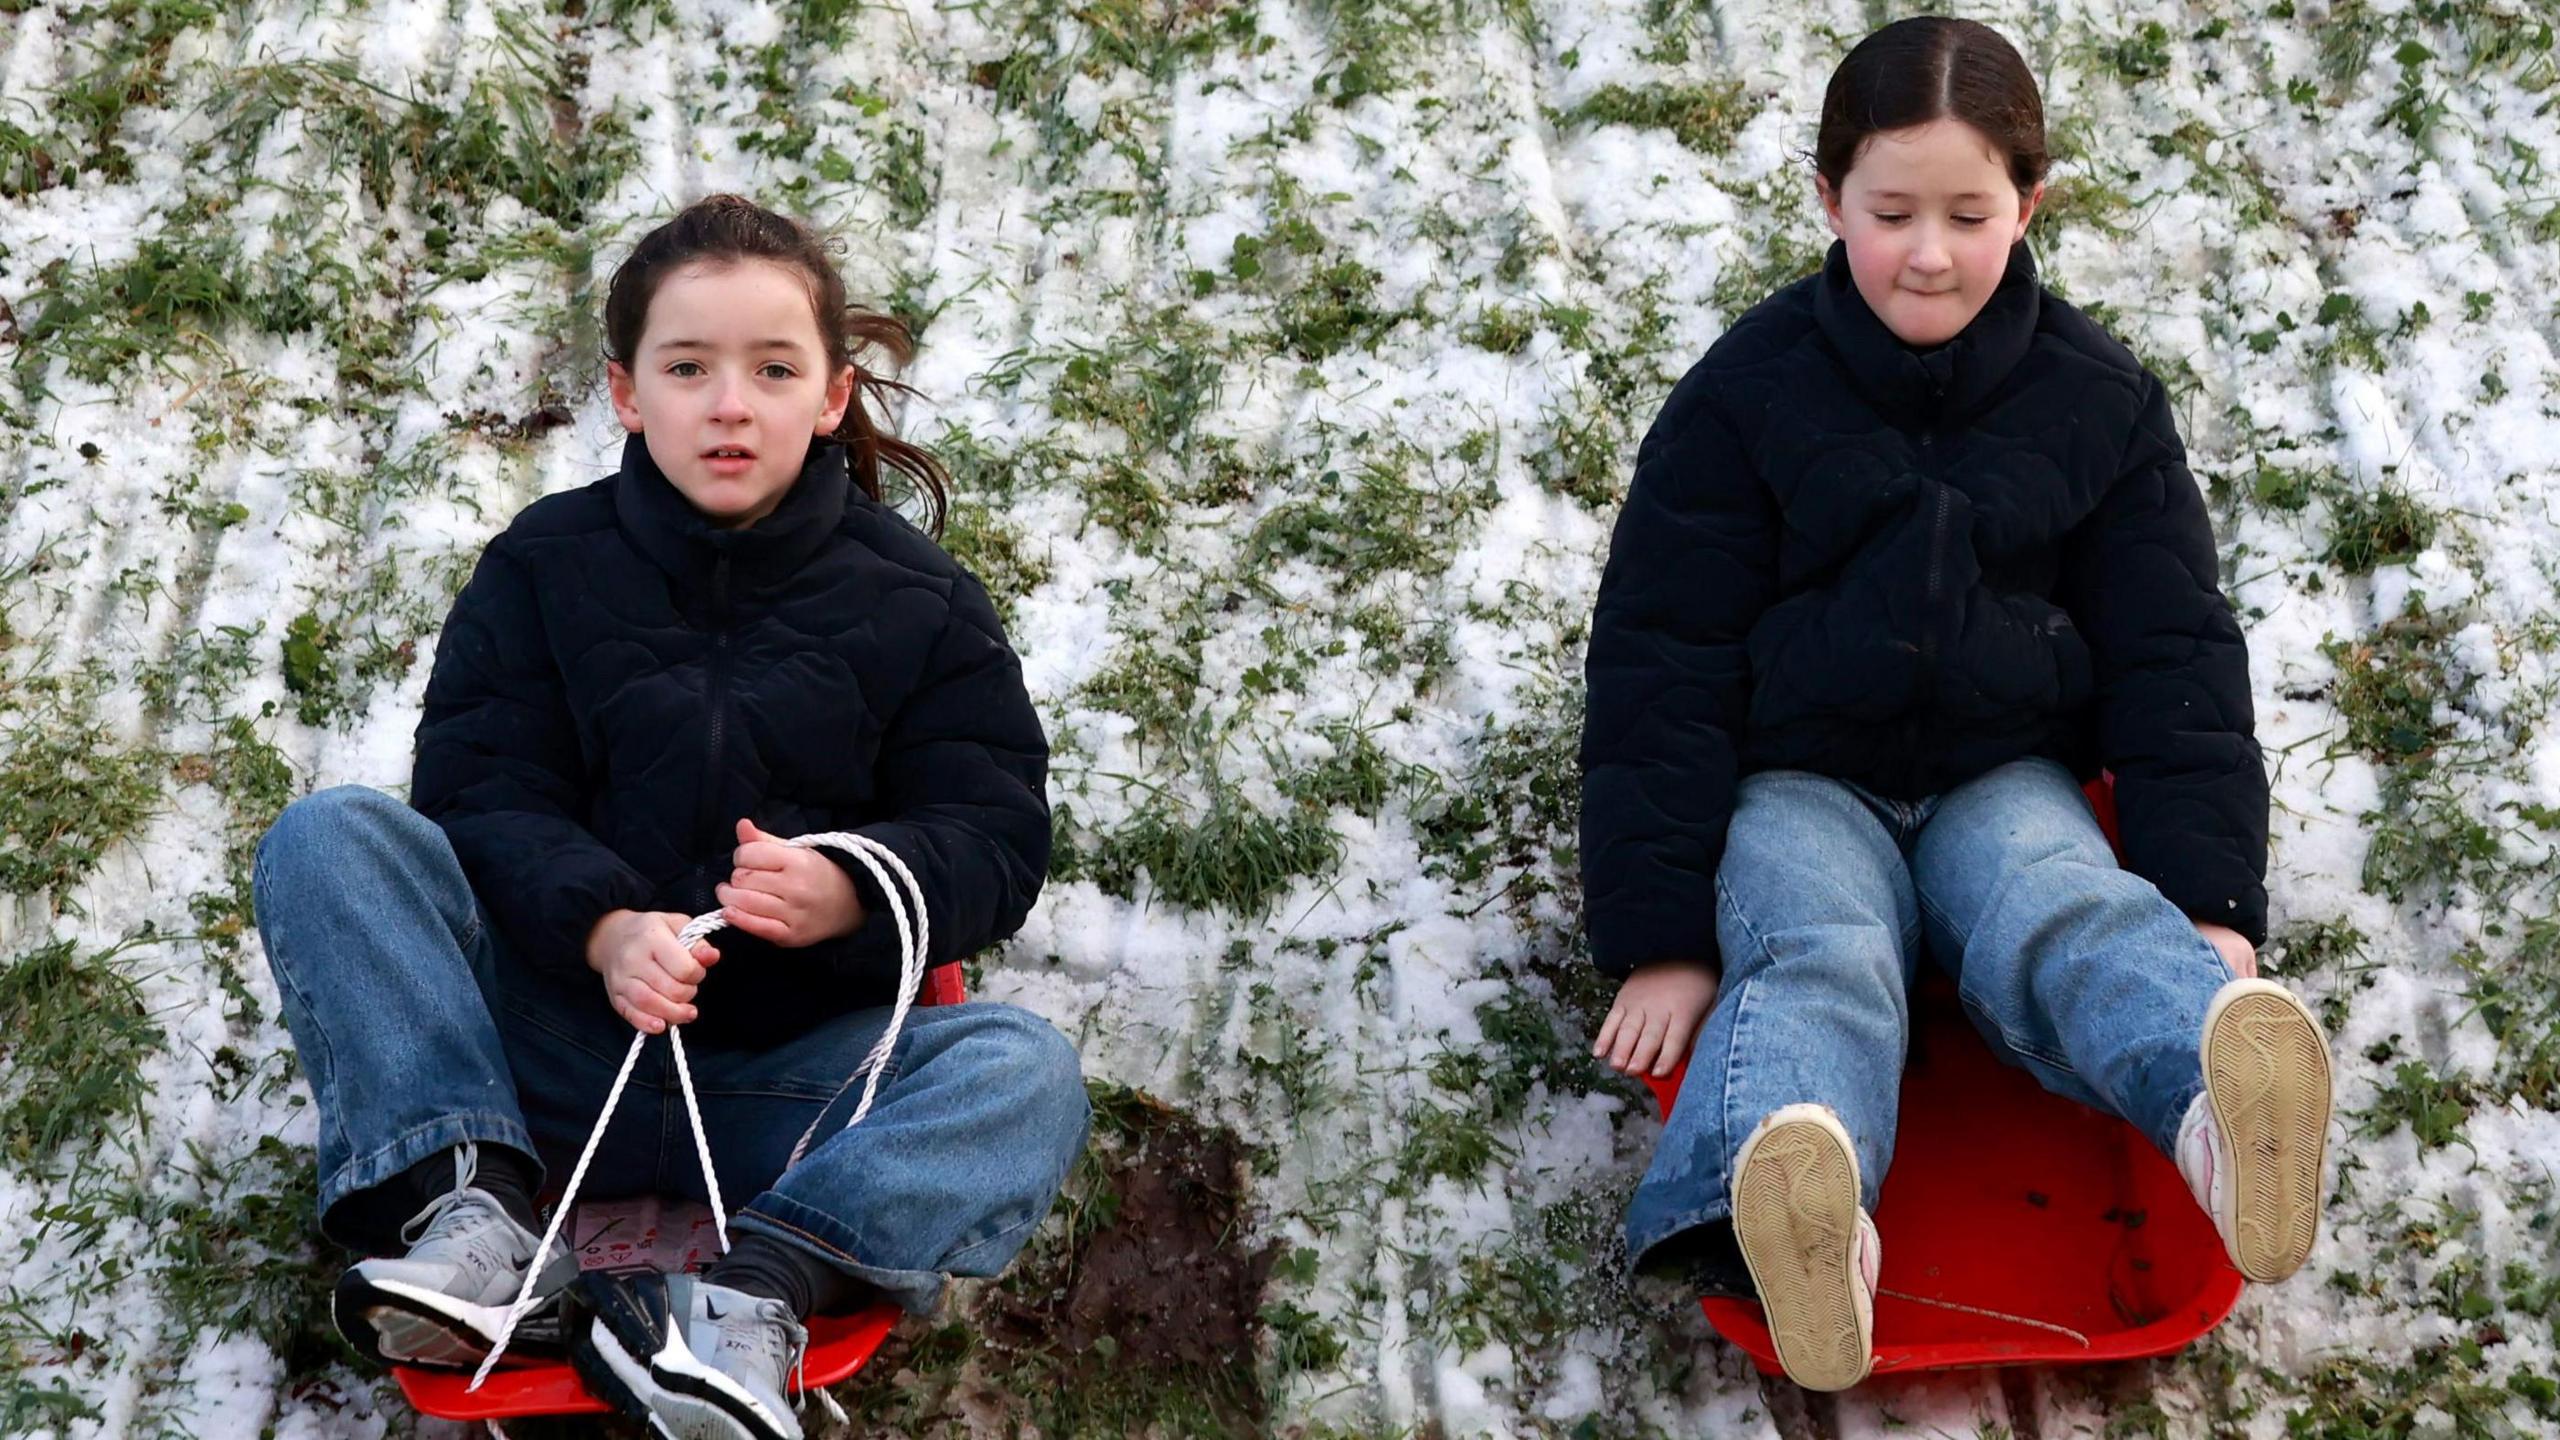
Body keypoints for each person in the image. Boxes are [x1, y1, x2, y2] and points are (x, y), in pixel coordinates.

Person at [252, 194, 1090, 1440]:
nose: (729, 403)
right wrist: (601, 928)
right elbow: (483, 796)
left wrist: (851, 888)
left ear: (832, 393)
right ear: (627, 393)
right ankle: (473, 1219)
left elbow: (996, 834)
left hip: (783, 1087)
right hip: (547, 1058)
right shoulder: (545, 565)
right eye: (688, 368)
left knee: (1024, 1071)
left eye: (772, 368)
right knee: (329, 837)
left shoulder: (920, 601)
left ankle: (750, 1301)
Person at [1576, 17, 2333, 1391]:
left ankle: (2222, 1122)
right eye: (1892, 213)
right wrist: (1664, 936)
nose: (1929, 252)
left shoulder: (2097, 405)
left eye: (1969, 213)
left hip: (2004, 777)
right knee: (1818, 950)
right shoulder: (1748, 400)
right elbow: (1662, 657)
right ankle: (1808, 1219)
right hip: (1800, 780)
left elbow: (2175, 655)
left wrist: (2209, 900)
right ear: (1827, 202)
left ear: (2030, 205)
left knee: (2069, 908)